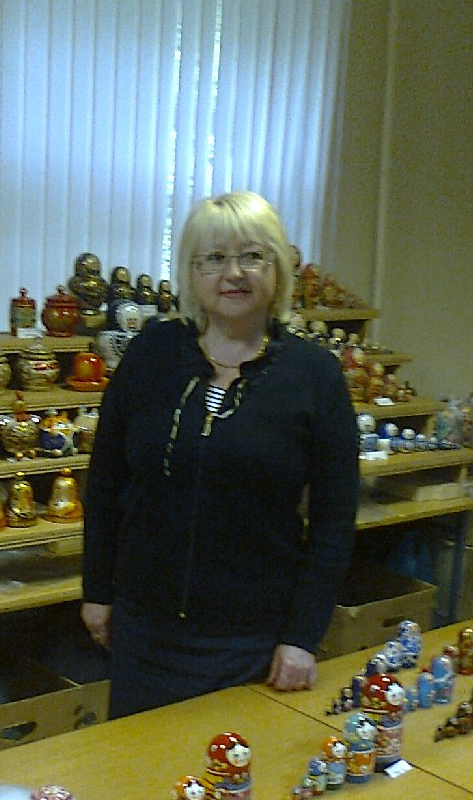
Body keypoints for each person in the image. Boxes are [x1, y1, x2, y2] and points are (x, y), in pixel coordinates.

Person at [80, 190, 359, 719]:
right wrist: (97, 590)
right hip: (144, 632)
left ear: (278, 268)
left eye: (252, 256)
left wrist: (302, 637)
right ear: (191, 272)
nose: (234, 273)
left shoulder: (314, 374)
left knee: (232, 767)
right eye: (214, 258)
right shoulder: (152, 353)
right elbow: (106, 481)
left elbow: (334, 519)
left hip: (253, 641)